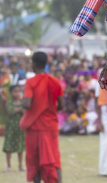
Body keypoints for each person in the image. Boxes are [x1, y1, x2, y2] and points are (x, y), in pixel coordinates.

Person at [20, 52, 64, 183]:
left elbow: (27, 103)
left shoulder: (30, 82)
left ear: (33, 64)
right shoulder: (55, 81)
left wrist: (20, 103)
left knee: (35, 162)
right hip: (50, 126)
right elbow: (61, 104)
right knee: (54, 160)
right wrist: (50, 111)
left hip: (34, 128)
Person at [2, 85, 25, 173]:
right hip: (11, 127)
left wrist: (18, 109)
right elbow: (11, 112)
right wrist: (20, 108)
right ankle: (8, 166)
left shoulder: (22, 101)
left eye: (19, 91)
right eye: (15, 91)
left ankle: (20, 166)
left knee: (20, 146)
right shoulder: (9, 102)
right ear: (11, 93)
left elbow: (25, 111)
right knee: (9, 147)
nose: (17, 93)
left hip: (20, 127)